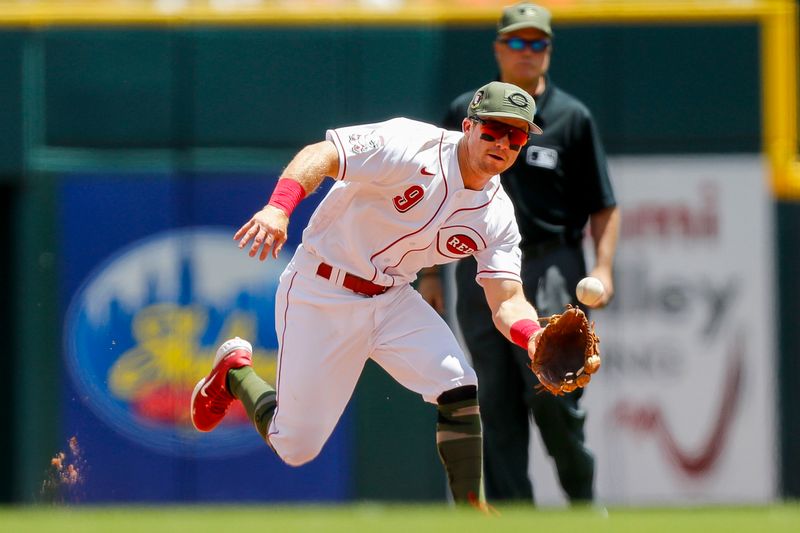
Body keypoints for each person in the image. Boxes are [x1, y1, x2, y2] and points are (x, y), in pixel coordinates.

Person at [190, 81, 552, 507]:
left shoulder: (497, 215)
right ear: (469, 126)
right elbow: (321, 155)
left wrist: (533, 337)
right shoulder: (410, 144)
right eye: (494, 130)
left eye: (518, 135)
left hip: (394, 297)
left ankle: (472, 513)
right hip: (322, 287)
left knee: (457, 382)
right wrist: (278, 207)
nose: (504, 143)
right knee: (295, 446)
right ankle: (235, 371)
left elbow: (506, 300)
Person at [418, 2, 619, 505]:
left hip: (551, 265)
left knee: (555, 391)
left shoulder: (572, 117)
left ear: (549, 51)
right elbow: (433, 193)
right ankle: (514, 517)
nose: (527, 52)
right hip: (479, 267)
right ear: (498, 47)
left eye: (538, 43)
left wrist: (603, 268)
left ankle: (583, 506)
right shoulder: (470, 111)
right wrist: (430, 273)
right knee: (497, 402)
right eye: (518, 41)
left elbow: (604, 205)